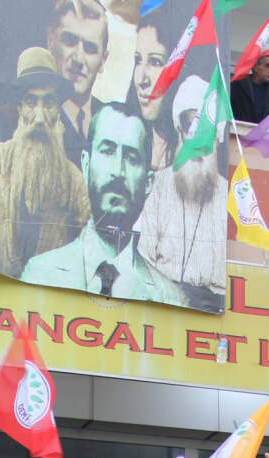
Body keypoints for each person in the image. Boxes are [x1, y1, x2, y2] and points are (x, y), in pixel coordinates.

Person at [21, 103, 184, 305]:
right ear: (86, 164)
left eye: (132, 158)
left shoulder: (170, 299)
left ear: (148, 183)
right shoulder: (39, 275)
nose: (118, 171)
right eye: (107, 152)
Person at [0, 47, 91, 279]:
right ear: (19, 108)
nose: (39, 118)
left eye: (48, 103)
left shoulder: (73, 180)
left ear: (57, 111)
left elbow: (86, 253)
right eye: (31, 102)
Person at [135, 75, 226, 309]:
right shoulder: (159, 185)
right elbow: (143, 260)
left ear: (217, 137)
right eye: (190, 125)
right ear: (180, 131)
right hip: (163, 301)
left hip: (213, 309)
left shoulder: (228, 195)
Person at [47, 0, 110, 161]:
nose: (78, 59)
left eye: (90, 48)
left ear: (103, 60)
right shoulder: (33, 117)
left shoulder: (112, 122)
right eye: (70, 41)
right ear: (51, 41)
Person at [126, 6, 180, 169]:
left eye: (155, 62)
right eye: (137, 60)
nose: (141, 79)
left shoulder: (192, 156)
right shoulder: (125, 140)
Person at [230, 53, 269, 124]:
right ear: (255, 67)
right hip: (240, 129)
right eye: (267, 66)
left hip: (265, 130)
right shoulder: (238, 84)